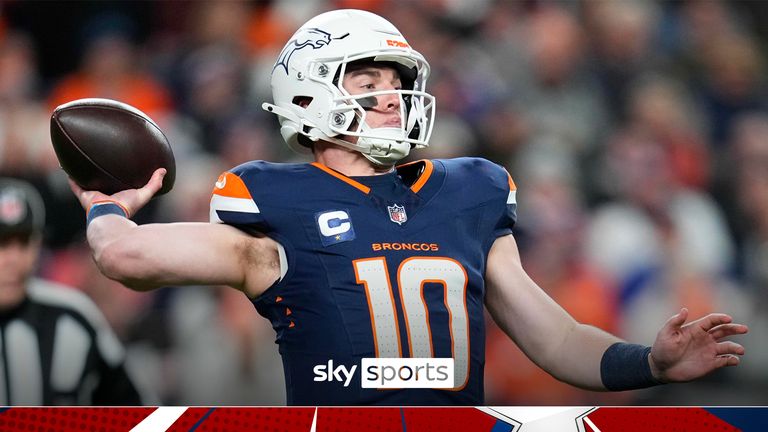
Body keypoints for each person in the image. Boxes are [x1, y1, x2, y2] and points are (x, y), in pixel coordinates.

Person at [68, 9, 747, 405]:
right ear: (308, 94)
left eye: (397, 82)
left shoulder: (470, 190)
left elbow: (559, 339)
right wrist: (106, 207)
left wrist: (648, 364)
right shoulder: (274, 201)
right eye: (367, 80)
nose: (391, 96)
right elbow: (127, 257)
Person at [0, 178, 143, 405]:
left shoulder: (75, 317)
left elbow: (134, 408)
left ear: (38, 245)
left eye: (24, 242)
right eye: (2, 243)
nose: (13, 259)